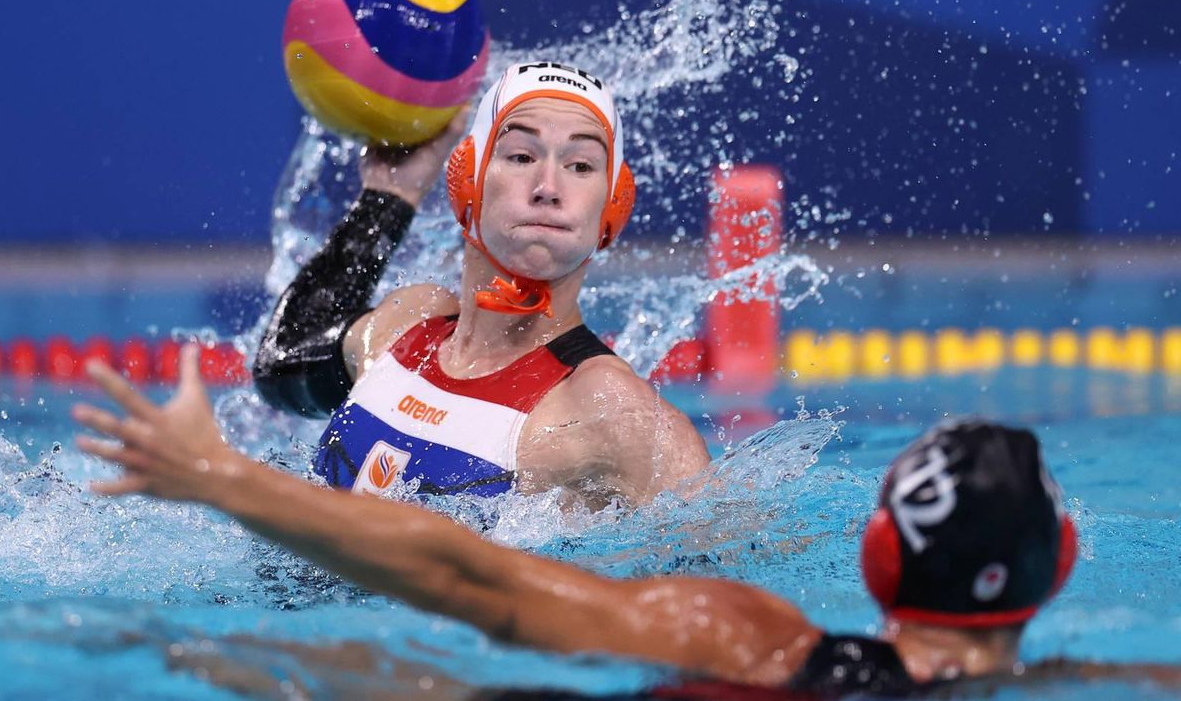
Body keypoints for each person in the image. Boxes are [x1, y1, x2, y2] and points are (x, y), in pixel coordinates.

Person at [73, 346, 1180, 700]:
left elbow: (478, 582)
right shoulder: (1101, 685)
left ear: (877, 553)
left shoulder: (747, 642)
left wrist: (222, 478)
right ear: (1061, 564)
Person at [252, 61, 709, 507]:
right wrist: (389, 196)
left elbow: (726, 567)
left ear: (613, 207)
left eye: (582, 166)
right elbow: (283, 363)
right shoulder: (408, 327)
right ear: (466, 180)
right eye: (521, 156)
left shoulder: (612, 410)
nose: (548, 186)